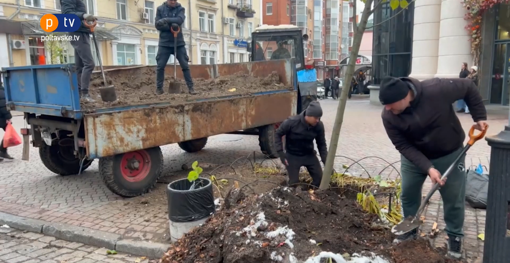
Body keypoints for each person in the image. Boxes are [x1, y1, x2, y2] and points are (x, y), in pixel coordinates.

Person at [379, 76, 488, 260]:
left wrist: (479, 117)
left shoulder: (436, 89)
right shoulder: (389, 116)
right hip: (414, 157)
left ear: (406, 95)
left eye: (390, 103)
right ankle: (410, 230)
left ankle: (455, 236)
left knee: (453, 197)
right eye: (385, 104)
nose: (387, 108)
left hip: (449, 152)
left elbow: (468, 86)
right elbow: (403, 146)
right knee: (408, 193)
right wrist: (428, 168)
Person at [275, 101, 328, 189]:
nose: (318, 120)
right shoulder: (291, 122)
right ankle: (295, 192)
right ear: (308, 116)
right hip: (292, 156)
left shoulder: (318, 126)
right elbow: (278, 134)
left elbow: (321, 144)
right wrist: (281, 154)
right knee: (293, 184)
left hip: (309, 155)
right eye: (316, 118)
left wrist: (326, 162)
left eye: (319, 118)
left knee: (320, 180)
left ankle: (310, 194)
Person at [155, 0, 196, 95]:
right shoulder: (160, 9)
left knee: (185, 66)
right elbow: (157, 25)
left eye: (175, 0)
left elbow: (180, 20)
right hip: (164, 44)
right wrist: (170, 26)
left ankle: (191, 88)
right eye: (171, 0)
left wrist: (165, 20)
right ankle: (159, 89)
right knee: (160, 66)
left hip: (178, 43)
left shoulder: (180, 9)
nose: (173, 1)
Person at [61, 0, 97, 102]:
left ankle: (80, 94)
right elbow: (67, 14)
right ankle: (84, 94)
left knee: (80, 66)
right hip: (77, 32)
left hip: (81, 31)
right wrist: (84, 15)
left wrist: (88, 22)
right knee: (89, 64)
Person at [0, 82, 13, 160]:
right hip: (1, 117)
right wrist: (8, 117)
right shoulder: (1, 90)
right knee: (9, 132)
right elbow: (2, 105)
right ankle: (2, 151)